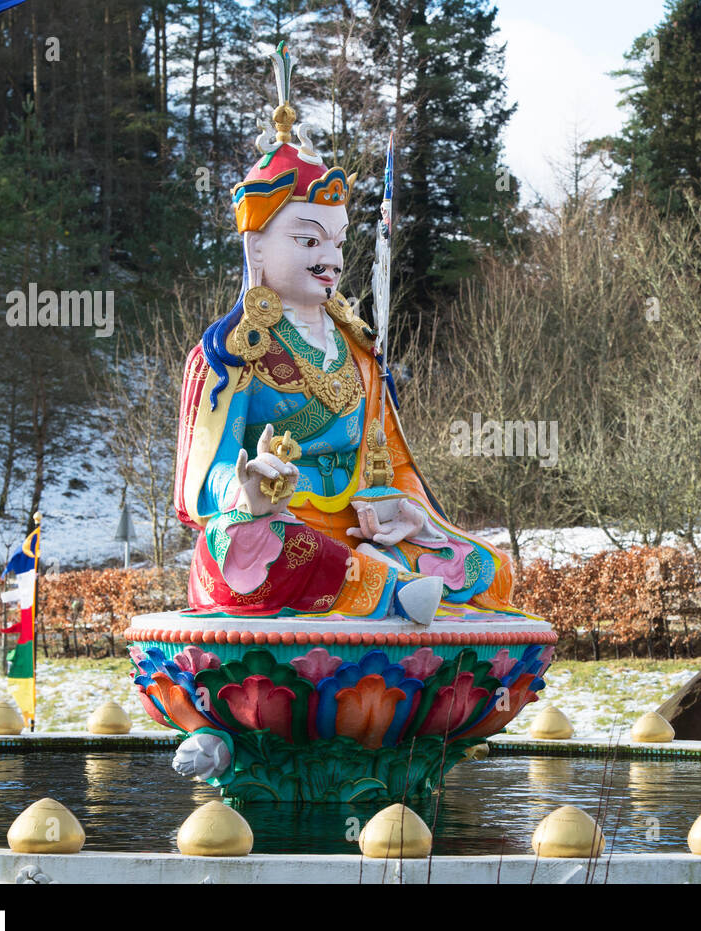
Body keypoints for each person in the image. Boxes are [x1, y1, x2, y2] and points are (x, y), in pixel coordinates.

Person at [173, 45, 517, 622]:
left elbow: (391, 461)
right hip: (280, 526)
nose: (329, 258)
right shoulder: (230, 353)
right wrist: (248, 492)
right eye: (308, 241)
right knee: (252, 550)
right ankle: (385, 594)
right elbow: (201, 484)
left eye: (336, 240)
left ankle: (390, 588)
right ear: (256, 247)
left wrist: (407, 511)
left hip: (362, 524)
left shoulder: (358, 345)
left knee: (488, 565)